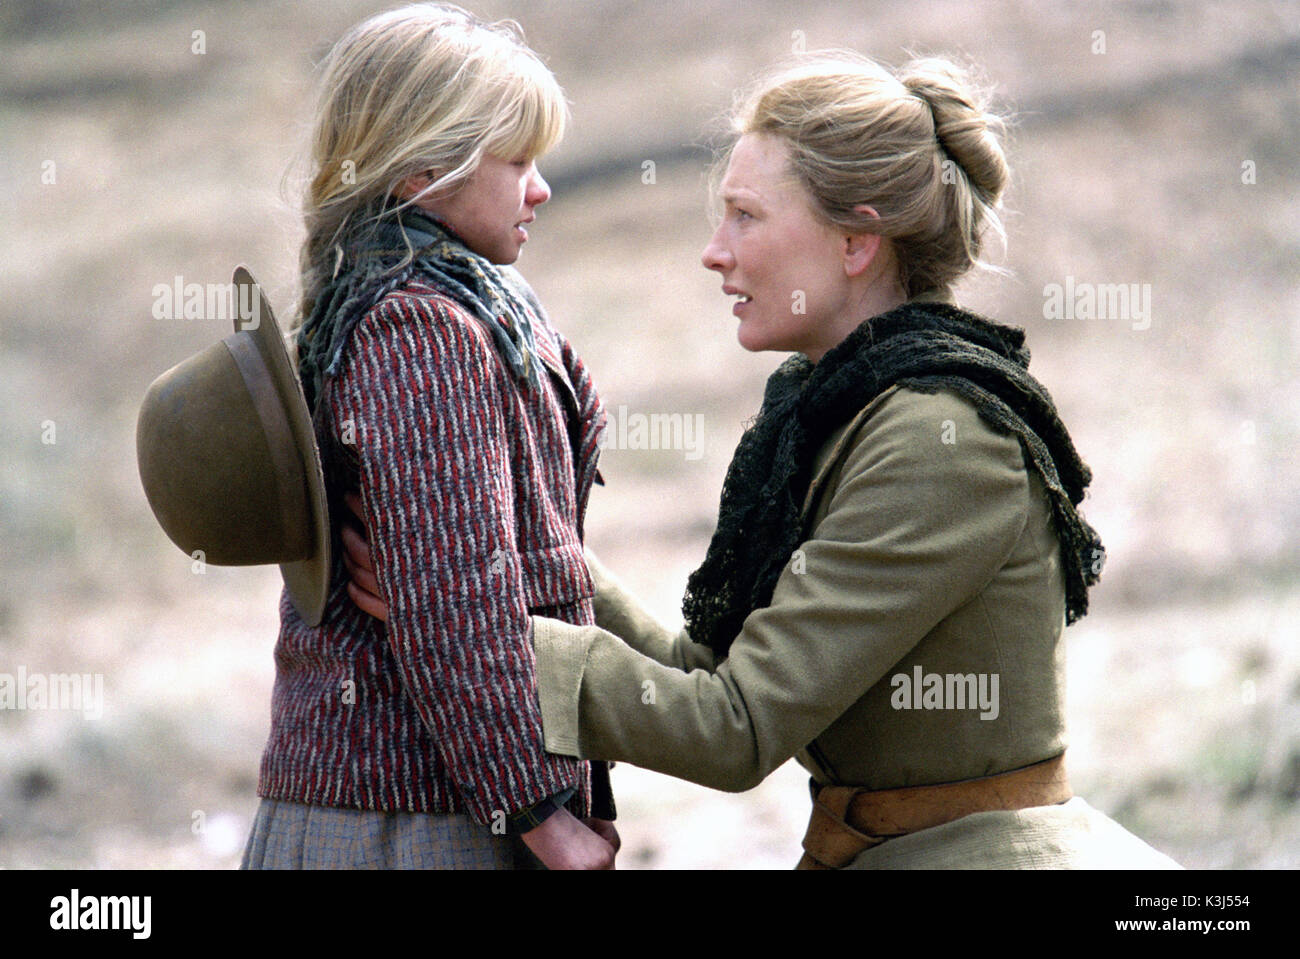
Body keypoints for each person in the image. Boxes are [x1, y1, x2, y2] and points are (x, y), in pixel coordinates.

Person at [345, 51, 1180, 869]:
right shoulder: (844, 410)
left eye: (745, 215)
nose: (716, 250)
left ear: (857, 241)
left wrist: (470, 628)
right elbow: (710, 679)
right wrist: (524, 556)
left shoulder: (939, 445)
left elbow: (735, 728)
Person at [240, 2, 618, 870]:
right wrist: (539, 810)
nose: (541, 188)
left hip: (425, 802)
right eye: (517, 160)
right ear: (421, 169)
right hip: (412, 819)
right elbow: (456, 600)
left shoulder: (426, 302)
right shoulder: (419, 328)